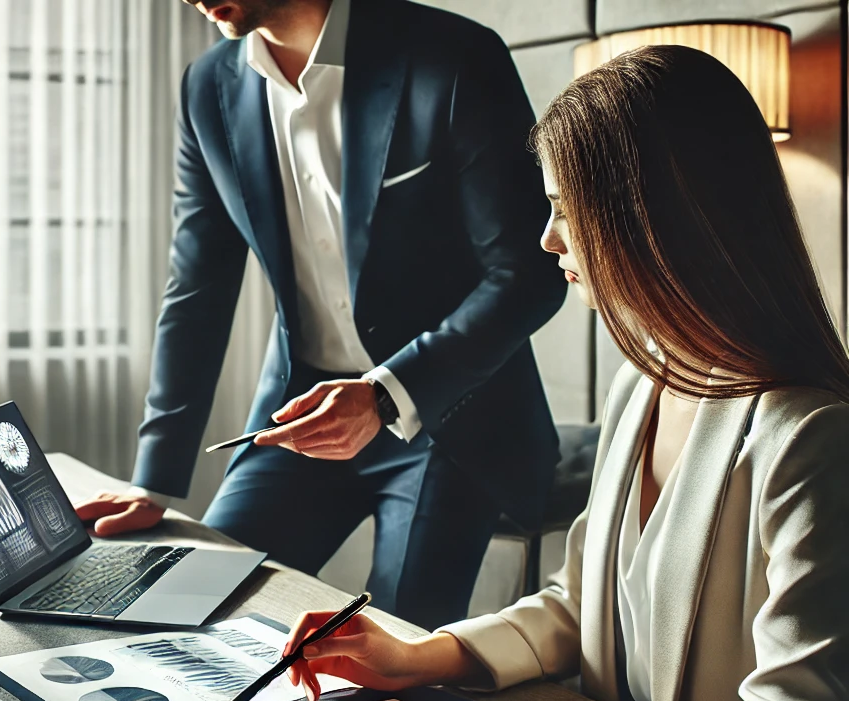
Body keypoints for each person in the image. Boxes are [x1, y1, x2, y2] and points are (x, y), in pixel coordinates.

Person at [283, 45, 849, 701]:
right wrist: (416, 657)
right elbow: (582, 604)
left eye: (561, 209)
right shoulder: (647, 385)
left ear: (653, 218)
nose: (547, 239)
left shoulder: (813, 439)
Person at [73, 0, 566, 631]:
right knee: (183, 606)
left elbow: (527, 273)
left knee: (392, 647)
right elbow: (196, 286)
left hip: (450, 419)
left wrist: (384, 397)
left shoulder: (455, 56)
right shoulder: (208, 86)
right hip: (299, 413)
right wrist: (154, 482)